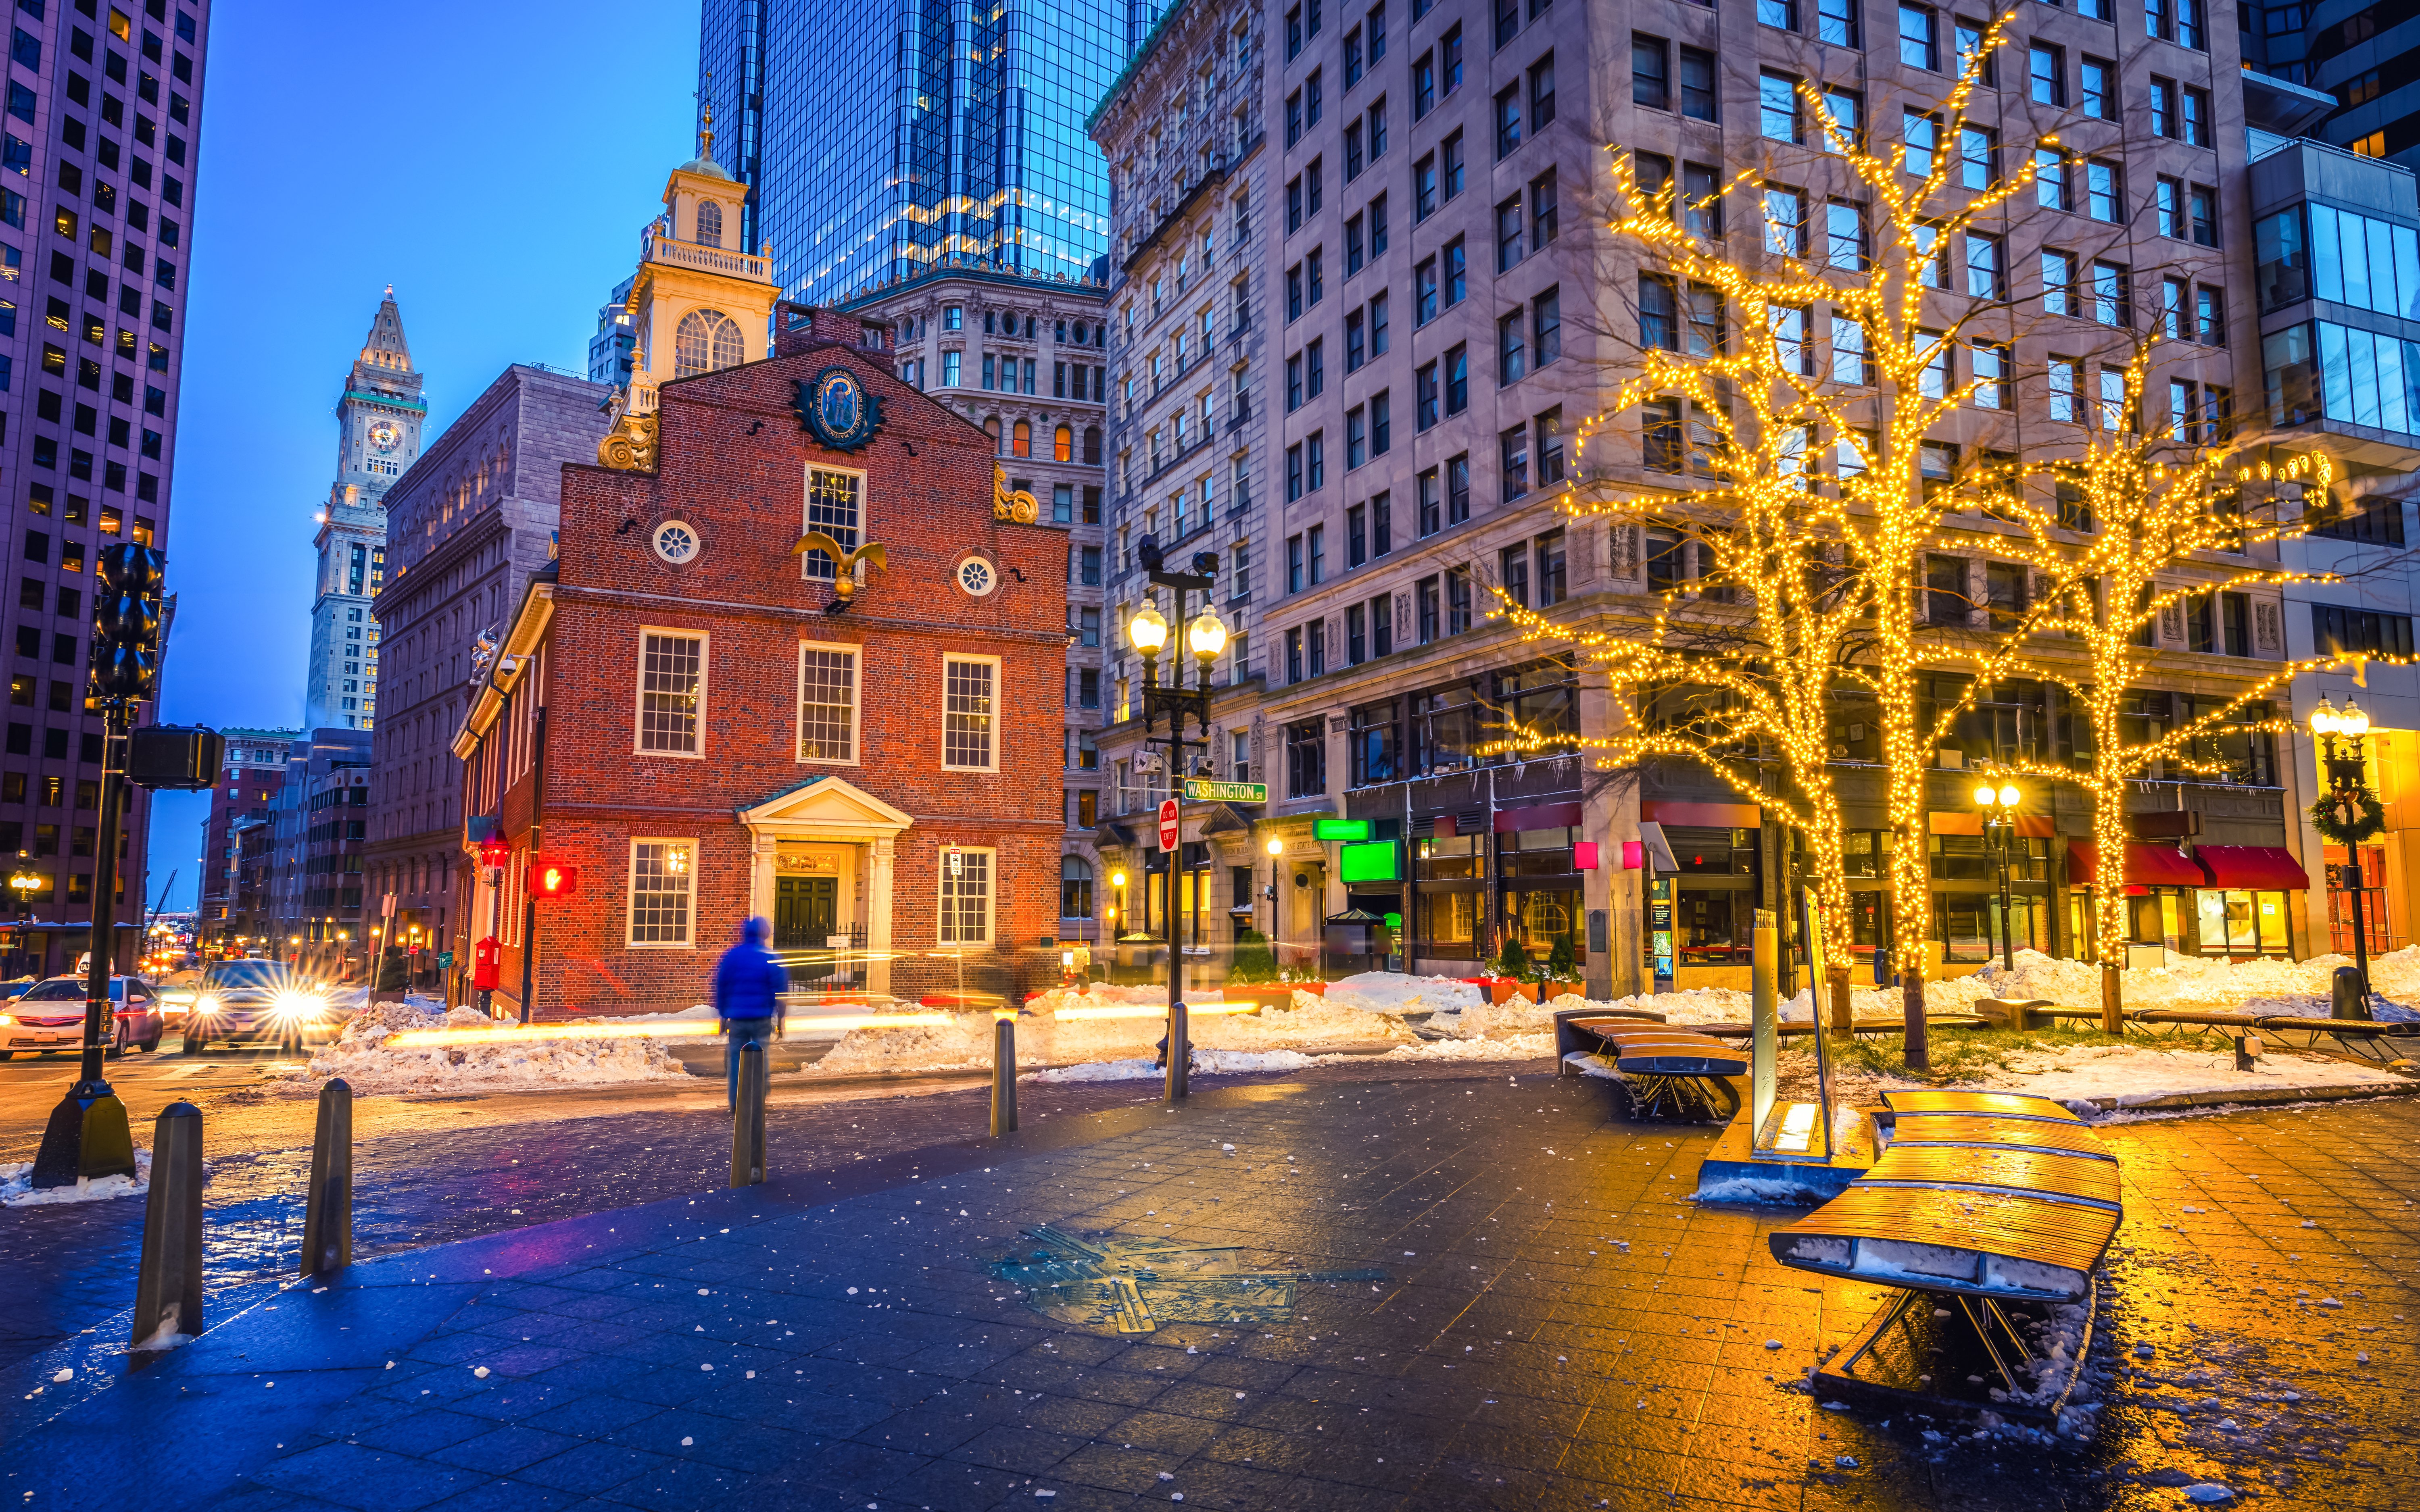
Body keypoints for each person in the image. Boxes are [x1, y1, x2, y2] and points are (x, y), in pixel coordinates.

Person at [714, 917, 788, 1111]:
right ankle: (758, 1100)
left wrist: (723, 1015)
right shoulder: (770, 957)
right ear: (764, 934)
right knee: (760, 1058)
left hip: (737, 1018)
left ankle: (736, 1101)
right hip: (762, 1017)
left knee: (736, 1060)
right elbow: (780, 990)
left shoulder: (732, 956)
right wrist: (781, 1017)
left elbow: (722, 986)